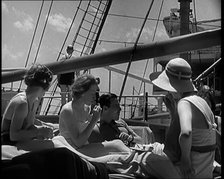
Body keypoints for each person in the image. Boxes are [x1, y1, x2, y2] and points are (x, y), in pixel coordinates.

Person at [149, 57, 217, 178]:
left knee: (138, 159)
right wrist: (173, 112)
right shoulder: (202, 102)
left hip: (186, 172)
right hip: (204, 171)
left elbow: (186, 133)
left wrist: (185, 161)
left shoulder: (184, 103)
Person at [59, 74, 131, 158]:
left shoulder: (86, 108)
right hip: (72, 151)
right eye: (92, 93)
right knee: (115, 145)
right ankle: (137, 159)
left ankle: (136, 157)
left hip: (83, 147)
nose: (95, 97)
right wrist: (93, 120)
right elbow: (78, 142)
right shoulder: (68, 110)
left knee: (117, 144)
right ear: (82, 92)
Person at [1, 64, 57, 151]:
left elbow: (29, 125)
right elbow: (13, 136)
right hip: (8, 141)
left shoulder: (34, 101)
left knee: (55, 133)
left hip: (20, 139)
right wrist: (39, 131)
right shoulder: (22, 103)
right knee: (51, 146)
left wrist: (44, 127)